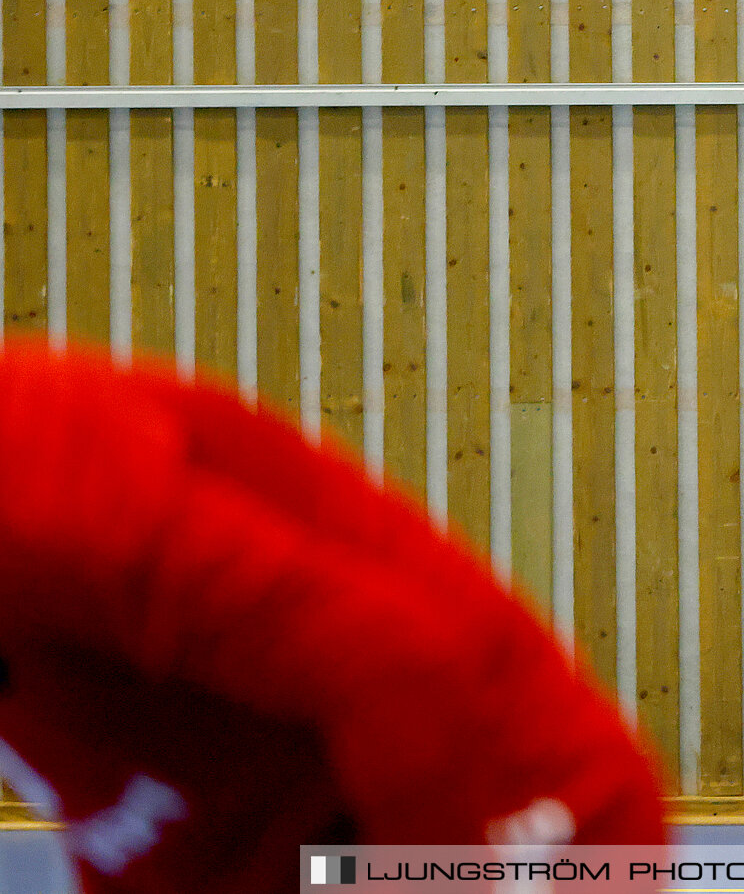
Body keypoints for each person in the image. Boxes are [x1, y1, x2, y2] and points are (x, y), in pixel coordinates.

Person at [0, 338, 665, 893]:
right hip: (277, 833)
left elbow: (396, 665)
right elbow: (107, 797)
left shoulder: (43, 486)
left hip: (510, 802)